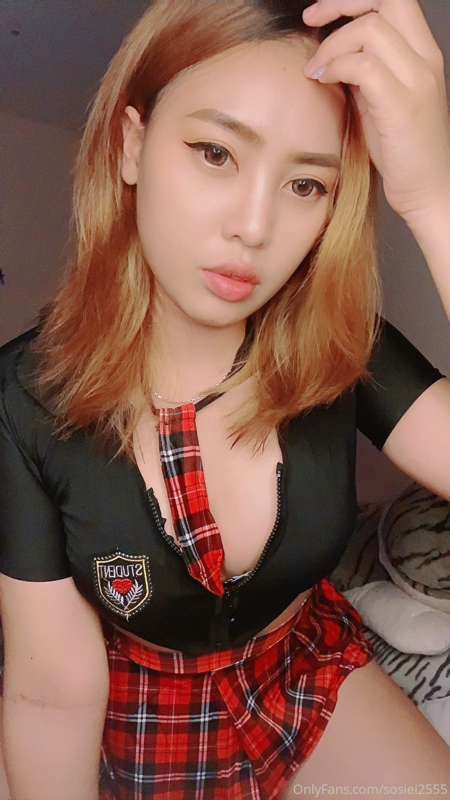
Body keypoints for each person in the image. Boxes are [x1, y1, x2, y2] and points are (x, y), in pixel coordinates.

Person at [1, 0, 449, 798]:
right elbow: (52, 692)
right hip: (134, 706)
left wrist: (433, 193)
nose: (254, 226)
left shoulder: (344, 343)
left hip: (299, 666)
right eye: (215, 153)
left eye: (306, 183)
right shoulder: (23, 401)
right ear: (131, 145)